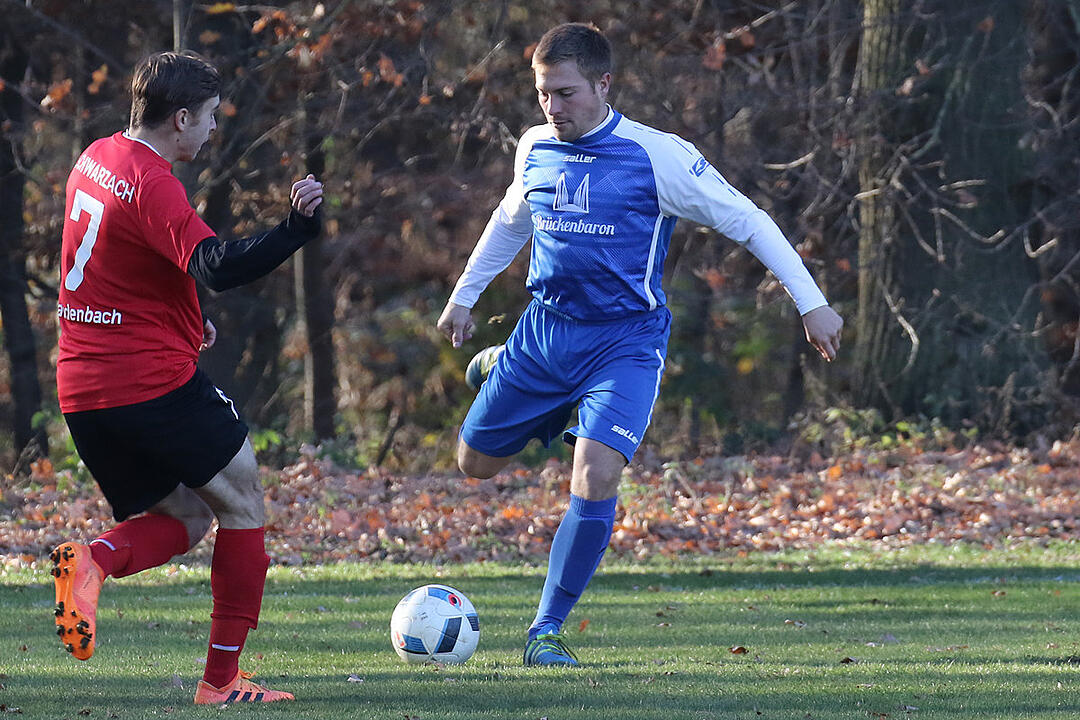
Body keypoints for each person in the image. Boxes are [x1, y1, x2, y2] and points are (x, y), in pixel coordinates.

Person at [436, 23, 842, 667]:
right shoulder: (535, 147)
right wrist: (465, 295)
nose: (553, 107)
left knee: (595, 476)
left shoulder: (658, 156)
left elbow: (749, 220)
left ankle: (545, 632)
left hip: (625, 342)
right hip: (542, 336)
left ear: (603, 84)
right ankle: (495, 365)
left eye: (566, 93)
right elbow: (511, 218)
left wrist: (812, 302)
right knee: (474, 465)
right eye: (544, 94)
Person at [51, 51, 323, 704]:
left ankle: (94, 560)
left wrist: (181, 320)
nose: (210, 132)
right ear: (180, 118)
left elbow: (120, 264)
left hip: (82, 390)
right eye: (208, 119)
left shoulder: (96, 158)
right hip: (148, 385)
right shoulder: (153, 181)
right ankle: (221, 682)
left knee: (186, 516)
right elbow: (217, 266)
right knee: (244, 503)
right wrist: (295, 230)